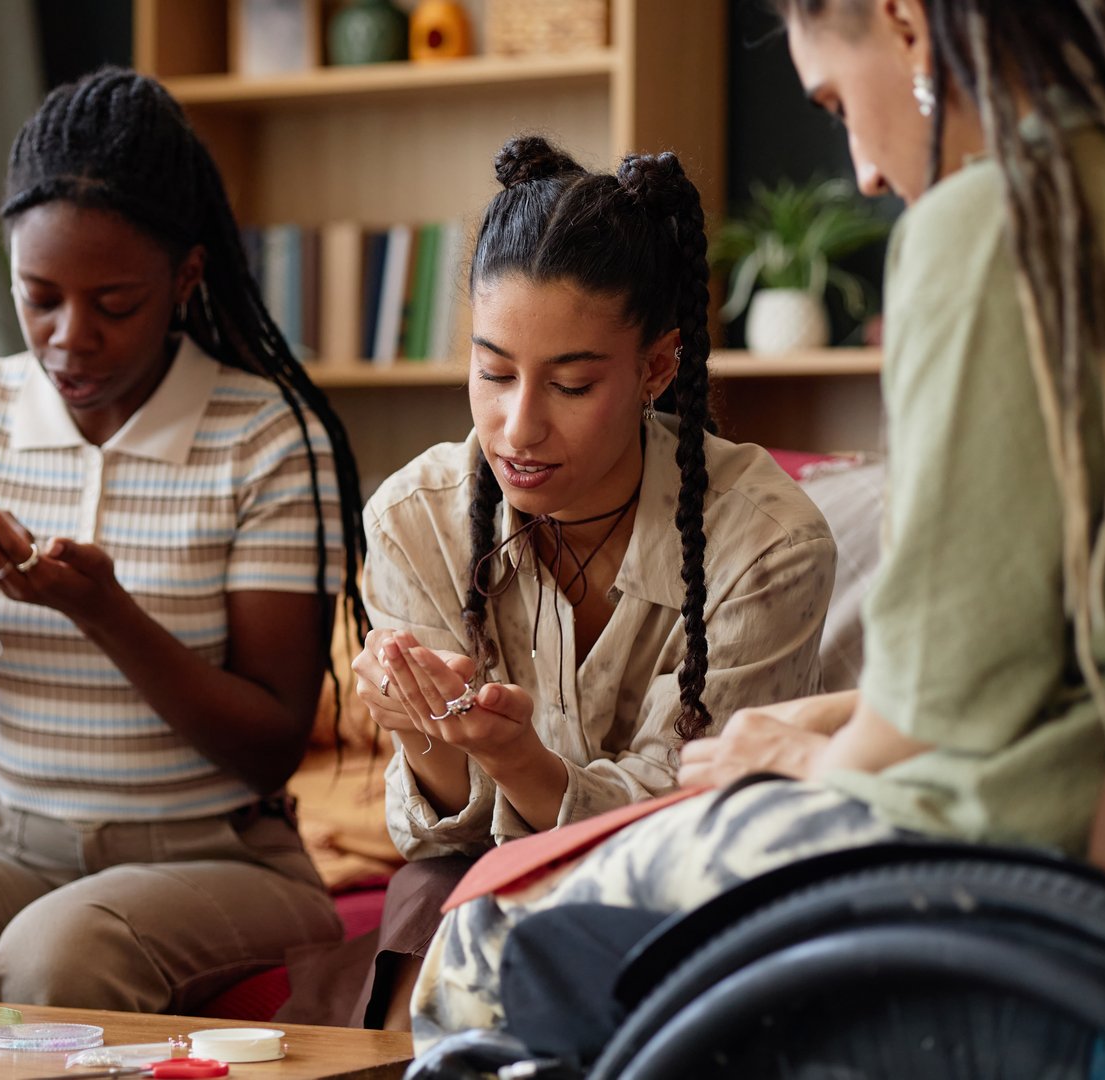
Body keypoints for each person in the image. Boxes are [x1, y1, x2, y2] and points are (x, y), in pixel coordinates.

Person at [409, 0, 1105, 1048]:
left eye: (837, 101)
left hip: (999, 856)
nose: (865, 174)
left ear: (903, 20)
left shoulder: (1002, 221)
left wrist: (805, 762)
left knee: (480, 946)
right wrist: (810, 722)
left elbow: (946, 705)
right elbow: (1061, 651)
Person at [0, 68, 371, 1013]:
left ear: (184, 279)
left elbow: (268, 749)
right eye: (39, 299)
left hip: (216, 855)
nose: (70, 340)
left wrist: (103, 611)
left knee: (59, 953)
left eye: (114, 305)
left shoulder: (266, 436)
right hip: (8, 841)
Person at [317, 136, 837, 1031]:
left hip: (687, 893)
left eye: (569, 383)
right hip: (469, 876)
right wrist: (424, 726)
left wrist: (522, 761)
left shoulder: (767, 540)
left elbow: (693, 820)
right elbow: (438, 838)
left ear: (655, 369)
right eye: (492, 372)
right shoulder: (414, 517)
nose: (516, 427)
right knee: (436, 916)